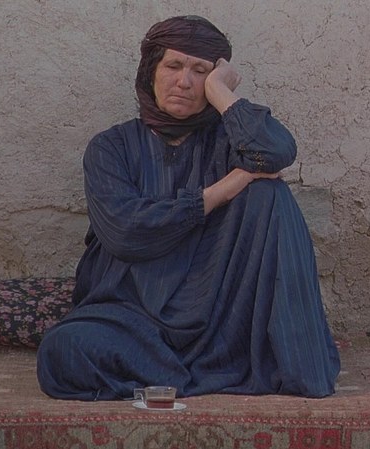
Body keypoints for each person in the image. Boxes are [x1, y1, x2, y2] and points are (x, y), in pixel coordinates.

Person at [36, 15, 340, 401]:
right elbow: (126, 232)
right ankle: (192, 373)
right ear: (150, 72)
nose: (184, 82)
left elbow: (276, 152)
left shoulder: (229, 141)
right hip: (132, 318)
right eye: (174, 66)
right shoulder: (111, 147)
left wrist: (222, 93)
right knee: (63, 351)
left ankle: (179, 374)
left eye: (200, 72)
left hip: (219, 316)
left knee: (269, 194)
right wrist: (223, 189)